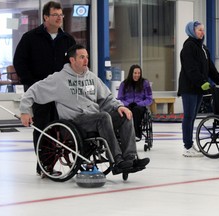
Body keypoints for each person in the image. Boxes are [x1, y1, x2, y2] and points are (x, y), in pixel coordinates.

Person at [19, 44, 150, 175]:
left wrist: (120, 106)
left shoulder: (92, 78)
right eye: (82, 57)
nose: (86, 60)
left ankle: (130, 158)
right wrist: (25, 111)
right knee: (103, 117)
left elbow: (107, 98)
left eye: (87, 57)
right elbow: (33, 91)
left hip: (95, 119)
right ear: (72, 60)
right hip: (75, 122)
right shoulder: (59, 79)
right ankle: (117, 161)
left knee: (125, 115)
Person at [13, 1, 76, 175]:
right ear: (46, 17)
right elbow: (19, 62)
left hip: (63, 93)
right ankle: (44, 166)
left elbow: (75, 64)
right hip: (39, 92)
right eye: (55, 15)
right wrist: (31, 83)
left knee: (63, 128)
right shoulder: (30, 38)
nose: (59, 18)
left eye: (61, 15)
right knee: (43, 127)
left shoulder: (68, 40)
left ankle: (68, 161)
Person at [177, 21, 219, 157]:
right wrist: (202, 82)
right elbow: (190, 69)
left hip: (199, 88)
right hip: (189, 88)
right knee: (188, 116)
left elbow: (211, 68)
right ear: (192, 31)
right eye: (199, 30)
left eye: (203, 30)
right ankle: (187, 146)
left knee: (193, 117)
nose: (202, 32)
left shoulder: (204, 48)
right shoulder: (188, 47)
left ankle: (190, 144)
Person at [117, 64, 152, 140]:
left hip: (139, 106)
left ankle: (137, 134)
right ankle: (122, 133)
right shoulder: (124, 84)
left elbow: (149, 99)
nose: (137, 75)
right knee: (123, 111)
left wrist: (138, 103)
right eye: (135, 73)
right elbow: (119, 99)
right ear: (131, 73)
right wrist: (127, 104)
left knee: (136, 110)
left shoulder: (145, 83)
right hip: (127, 105)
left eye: (139, 73)